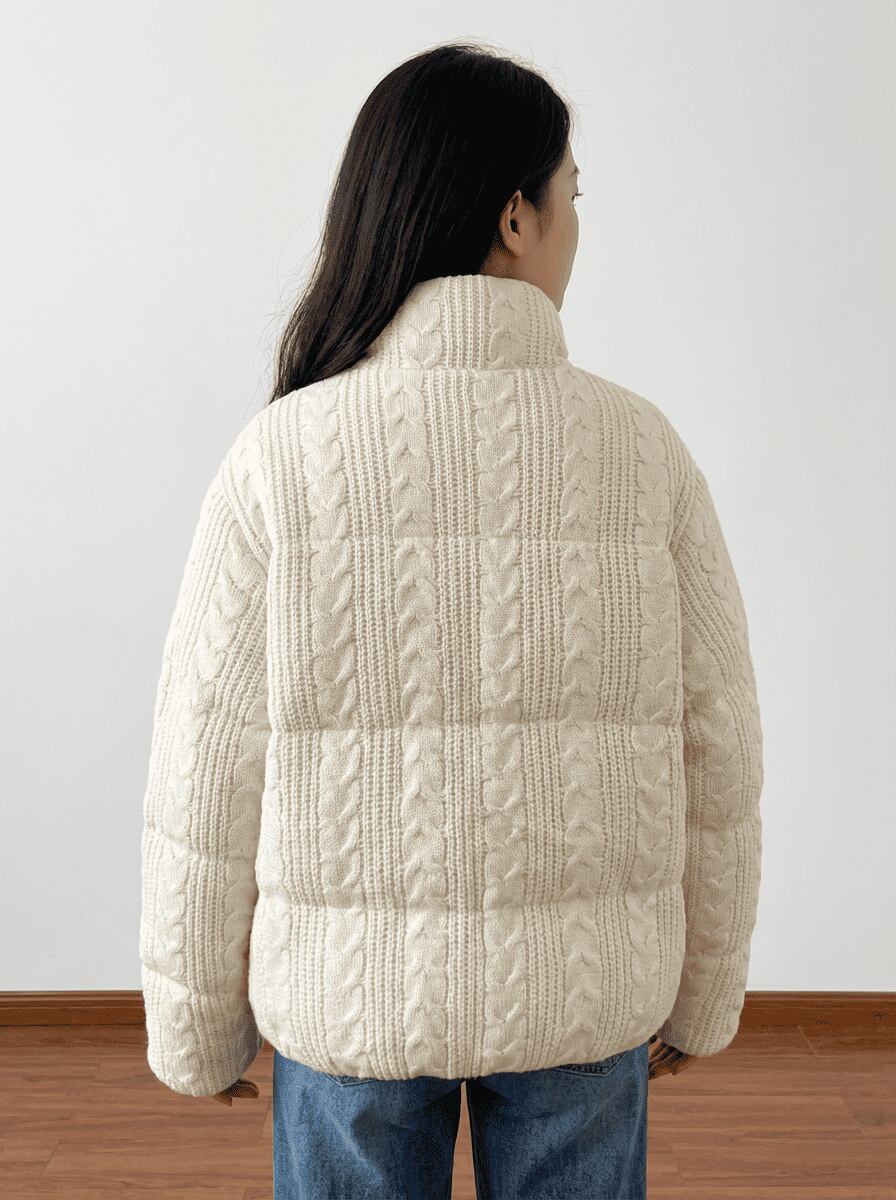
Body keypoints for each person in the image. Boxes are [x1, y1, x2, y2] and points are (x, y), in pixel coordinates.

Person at [139, 39, 764, 1200]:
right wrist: (704, 992)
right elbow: (716, 742)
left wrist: (194, 1026)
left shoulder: (284, 456)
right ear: (515, 217)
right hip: (581, 996)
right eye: (571, 194)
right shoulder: (641, 451)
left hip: (352, 1000)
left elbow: (204, 761)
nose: (576, 226)